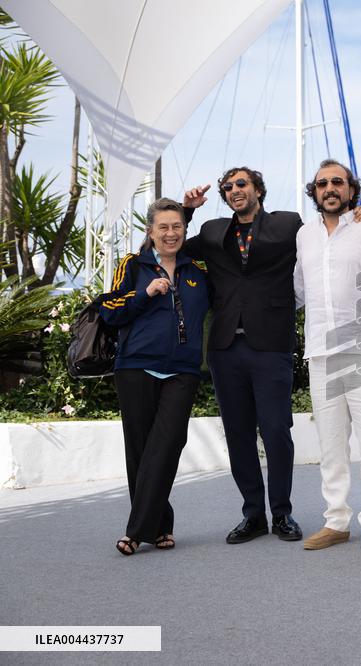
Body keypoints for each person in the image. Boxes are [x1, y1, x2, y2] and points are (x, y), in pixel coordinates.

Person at [182, 168, 305, 544]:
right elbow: (165, 248)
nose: (234, 190)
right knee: (237, 435)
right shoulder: (212, 232)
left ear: (257, 190)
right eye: (228, 187)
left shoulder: (288, 225)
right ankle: (252, 515)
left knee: (275, 430)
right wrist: (186, 213)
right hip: (225, 349)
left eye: (241, 184)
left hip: (271, 345)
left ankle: (282, 513)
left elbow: (327, 240)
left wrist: (358, 214)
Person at [294, 159, 361, 553]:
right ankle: (336, 520)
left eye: (338, 182)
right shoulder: (304, 236)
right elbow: (298, 292)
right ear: (315, 191)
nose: (330, 188)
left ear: (352, 189)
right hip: (321, 350)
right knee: (331, 444)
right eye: (322, 183)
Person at [100, 198, 211, 555]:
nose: (170, 233)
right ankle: (160, 526)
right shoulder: (134, 265)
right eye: (162, 227)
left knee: (167, 445)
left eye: (177, 226)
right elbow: (108, 310)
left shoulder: (197, 271)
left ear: (185, 229)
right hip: (135, 367)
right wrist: (143, 295)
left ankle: (134, 532)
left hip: (182, 370)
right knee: (141, 450)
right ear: (150, 231)